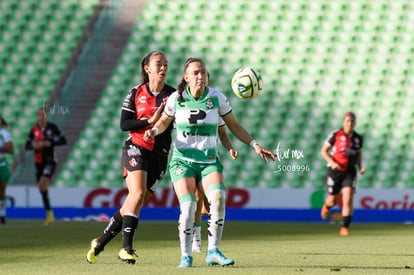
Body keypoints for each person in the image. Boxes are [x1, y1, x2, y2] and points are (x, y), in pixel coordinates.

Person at [144, 57, 275, 268]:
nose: (200, 77)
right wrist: (153, 130)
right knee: (188, 206)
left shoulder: (217, 98)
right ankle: (186, 255)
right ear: (186, 77)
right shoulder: (176, 98)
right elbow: (164, 122)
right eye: (195, 73)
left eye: (203, 73)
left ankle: (213, 251)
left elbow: (234, 126)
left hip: (208, 161)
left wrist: (255, 144)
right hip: (182, 161)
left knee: (219, 197)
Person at [86, 51, 175, 265]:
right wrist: (147, 122)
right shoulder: (136, 92)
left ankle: (100, 243)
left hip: (160, 155)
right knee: (137, 192)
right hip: (136, 146)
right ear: (147, 68)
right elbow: (124, 124)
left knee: (133, 204)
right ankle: (126, 248)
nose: (163, 68)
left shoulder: (174, 95)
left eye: (165, 64)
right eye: (158, 64)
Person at [192, 122, 238, 253]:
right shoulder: (184, 105)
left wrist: (230, 148)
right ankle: (196, 239)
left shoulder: (214, 108)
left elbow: (223, 133)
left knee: (210, 205)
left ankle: (211, 243)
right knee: (196, 198)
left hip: (210, 160)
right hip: (189, 159)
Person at [320, 111, 365, 236]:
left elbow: (359, 153)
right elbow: (323, 151)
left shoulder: (358, 138)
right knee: (333, 200)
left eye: (351, 121)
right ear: (343, 122)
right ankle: (327, 206)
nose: (349, 123)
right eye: (347, 121)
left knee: (348, 197)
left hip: (350, 171)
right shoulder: (335, 134)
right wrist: (332, 162)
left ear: (355, 123)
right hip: (335, 171)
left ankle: (345, 227)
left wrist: (360, 167)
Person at [25, 108, 67, 225]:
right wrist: (34, 146)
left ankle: (50, 215)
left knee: (42, 184)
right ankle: (49, 214)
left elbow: (64, 140)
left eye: (43, 115)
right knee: (42, 189)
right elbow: (27, 146)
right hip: (38, 162)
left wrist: (51, 143)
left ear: (47, 116)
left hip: (50, 161)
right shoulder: (34, 130)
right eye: (39, 115)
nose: (41, 117)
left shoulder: (52, 128)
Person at [0, 116, 14, 224]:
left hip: (2, 164)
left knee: (2, 190)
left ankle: (2, 214)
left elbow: (11, 150)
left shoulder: (4, 134)